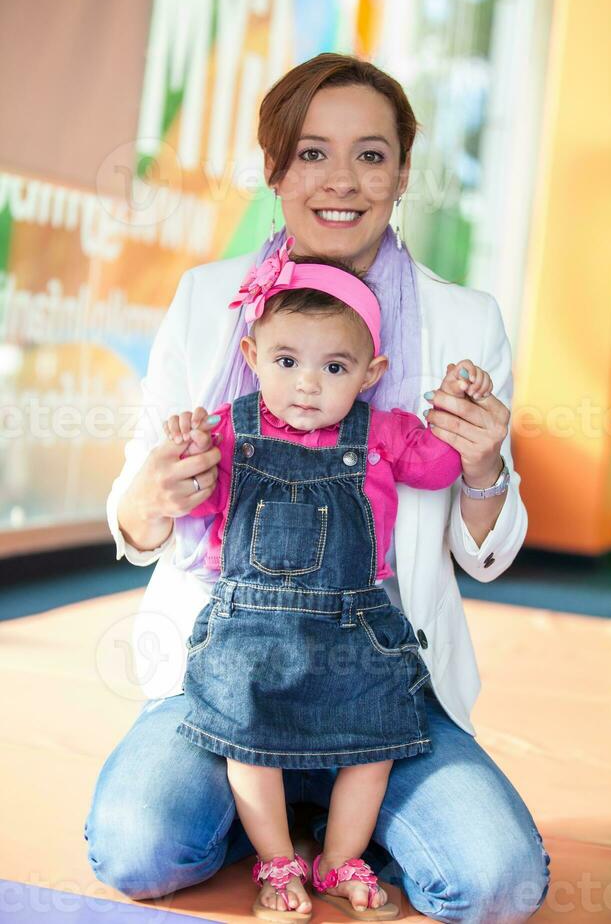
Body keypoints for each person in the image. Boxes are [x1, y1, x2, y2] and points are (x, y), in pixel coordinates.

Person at [85, 53, 551, 923]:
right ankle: (279, 814)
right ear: (273, 170)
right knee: (140, 852)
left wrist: (486, 466)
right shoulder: (207, 301)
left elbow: (481, 557)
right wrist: (155, 491)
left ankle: (336, 812)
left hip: (385, 676)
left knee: (495, 885)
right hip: (225, 670)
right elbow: (134, 515)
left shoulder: (465, 322)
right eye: (311, 153)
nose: (342, 180)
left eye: (372, 155)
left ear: (404, 172)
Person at [162, 240, 477, 920]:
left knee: (376, 740)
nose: (308, 383)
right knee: (248, 741)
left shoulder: (385, 432)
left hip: (353, 632)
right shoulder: (227, 432)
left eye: (334, 366)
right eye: (286, 361)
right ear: (251, 360)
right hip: (252, 629)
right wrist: (186, 452)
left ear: (371, 373)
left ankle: (338, 857)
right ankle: (277, 861)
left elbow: (441, 469)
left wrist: (457, 416)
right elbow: (193, 510)